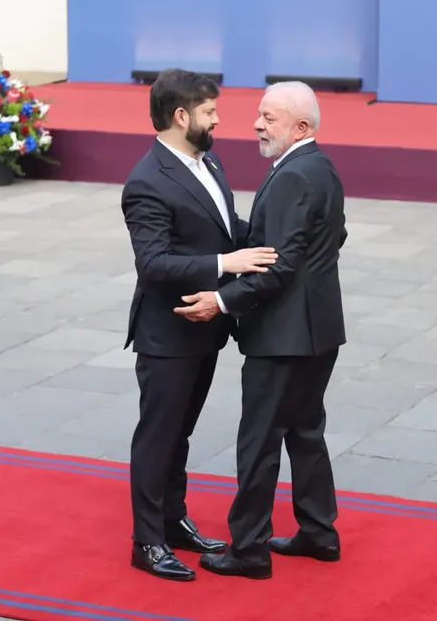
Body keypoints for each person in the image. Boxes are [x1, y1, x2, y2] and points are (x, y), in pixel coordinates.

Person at [174, 81, 347, 580]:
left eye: (268, 117)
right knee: (305, 433)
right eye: (259, 114)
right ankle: (319, 533)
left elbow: (282, 262)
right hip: (319, 332)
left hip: (284, 338)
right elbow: (331, 237)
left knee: (259, 441)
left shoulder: (295, 174)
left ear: (301, 126)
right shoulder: (321, 167)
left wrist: (222, 300)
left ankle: (248, 549)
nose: (256, 124)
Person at [121, 68, 279, 582]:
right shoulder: (146, 181)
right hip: (167, 333)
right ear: (181, 115)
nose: (218, 120)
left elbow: (228, 227)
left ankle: (172, 521)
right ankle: (146, 542)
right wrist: (225, 264)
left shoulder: (207, 161)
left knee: (181, 434)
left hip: (204, 328)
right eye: (210, 112)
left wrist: (276, 237)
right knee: (158, 436)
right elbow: (154, 263)